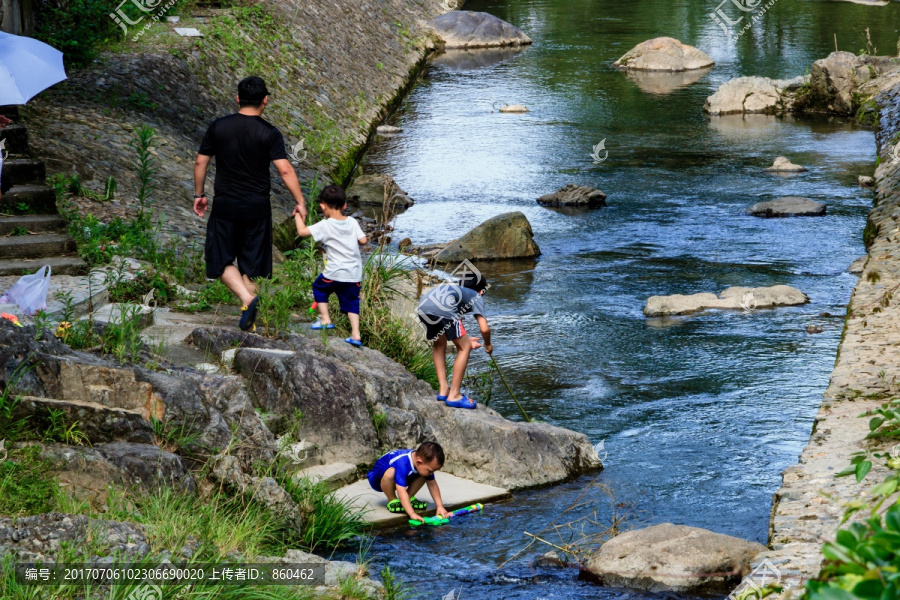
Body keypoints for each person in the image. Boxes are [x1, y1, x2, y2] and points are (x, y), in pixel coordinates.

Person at [193, 75, 308, 331]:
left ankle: (247, 301)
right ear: (265, 100)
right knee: (253, 263)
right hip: (257, 206)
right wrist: (300, 201)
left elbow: (201, 162)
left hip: (226, 205)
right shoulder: (269, 132)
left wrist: (199, 194)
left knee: (218, 256)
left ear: (237, 98)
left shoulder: (219, 127)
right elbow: (285, 170)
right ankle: (249, 308)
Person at [294, 184, 367, 346]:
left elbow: (302, 232)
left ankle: (325, 319)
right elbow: (363, 240)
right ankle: (356, 335)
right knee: (352, 302)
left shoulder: (325, 225)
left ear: (322, 206)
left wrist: (298, 217)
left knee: (319, 287)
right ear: (345, 206)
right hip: (353, 274)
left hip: (334, 273)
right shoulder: (353, 222)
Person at [416, 270, 491, 409]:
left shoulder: (457, 291)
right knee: (465, 348)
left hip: (423, 306)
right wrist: (488, 344)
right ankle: (454, 395)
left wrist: (466, 340)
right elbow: (484, 329)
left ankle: (444, 389)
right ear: (481, 291)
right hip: (444, 311)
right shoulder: (476, 296)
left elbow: (454, 329)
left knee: (439, 345)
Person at [367, 442, 450, 523]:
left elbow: (432, 484)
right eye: (430, 471)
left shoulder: (421, 463)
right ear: (419, 462)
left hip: (399, 477)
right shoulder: (402, 463)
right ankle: (392, 499)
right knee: (391, 472)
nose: (432, 474)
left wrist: (440, 506)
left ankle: (409, 497)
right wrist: (412, 513)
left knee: (425, 475)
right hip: (377, 479)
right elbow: (401, 490)